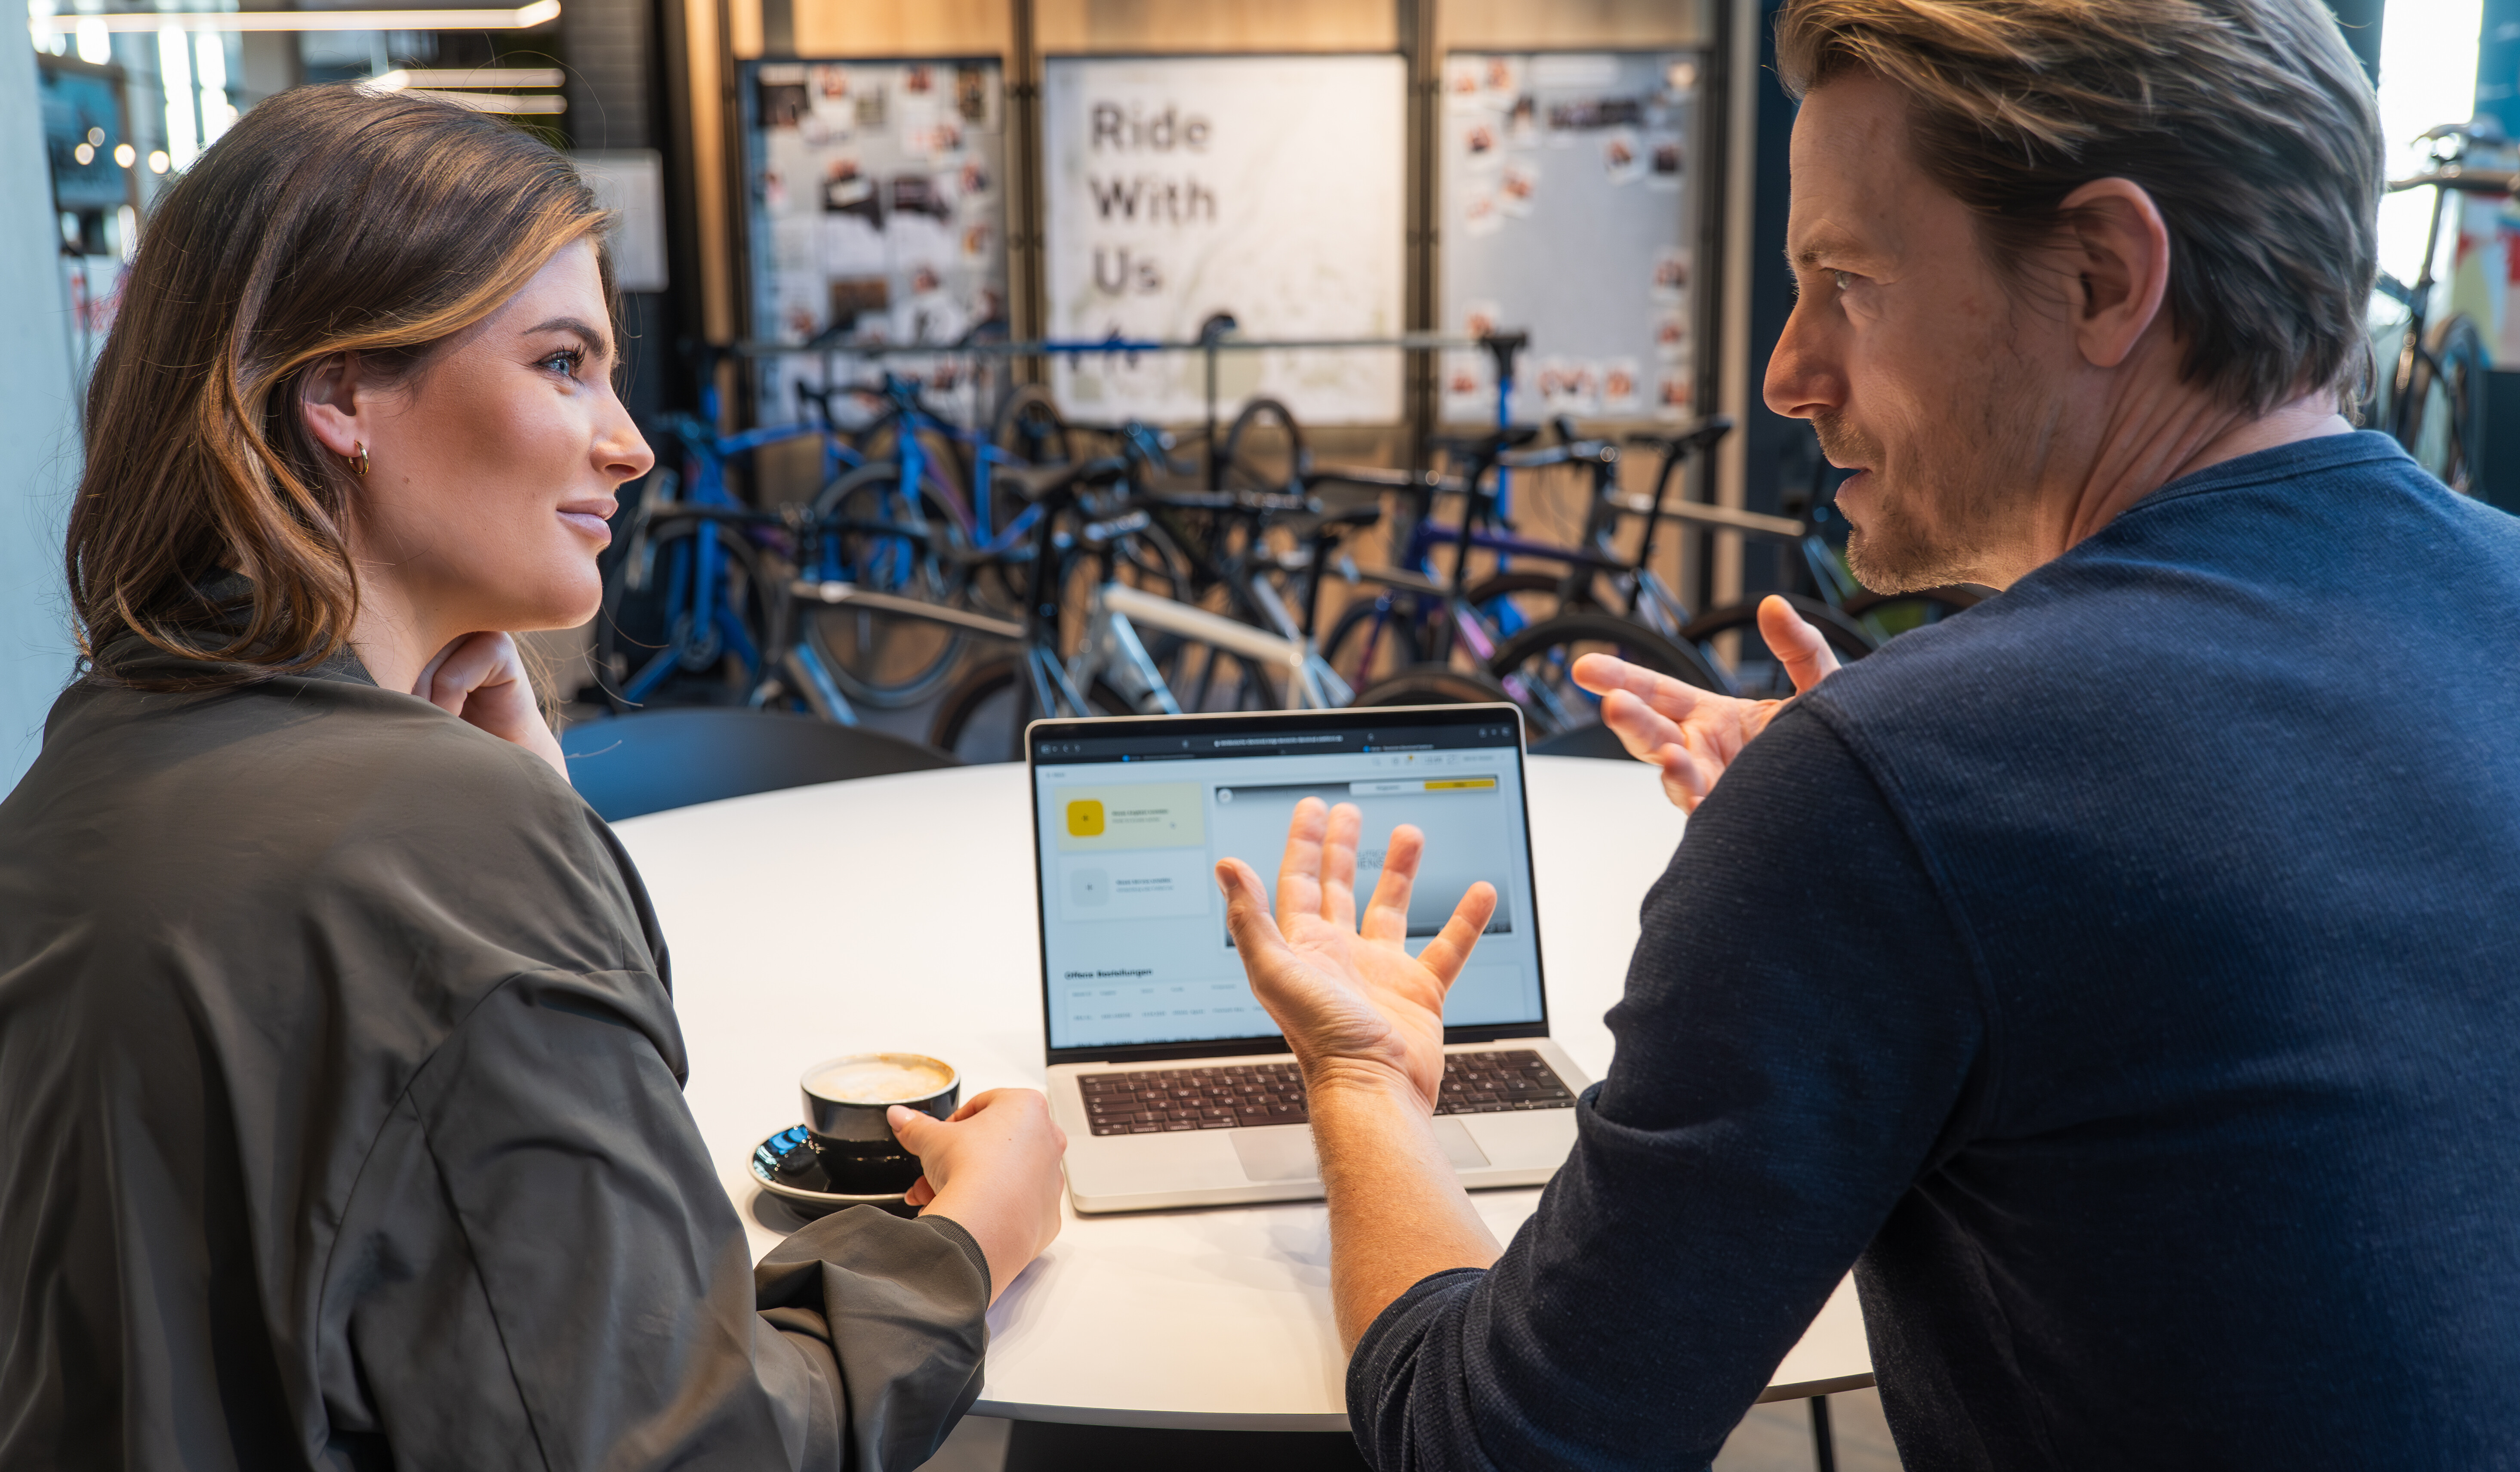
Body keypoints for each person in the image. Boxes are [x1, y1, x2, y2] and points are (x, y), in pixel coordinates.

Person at [1214, 1, 2520, 1467]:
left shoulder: (1906, 787)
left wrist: (1362, 1077)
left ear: (2101, 275)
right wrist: (1897, 858)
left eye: (1846, 281)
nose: (1786, 372)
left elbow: (1496, 1448)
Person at [0, 86, 1066, 1470]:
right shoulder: (439, 841)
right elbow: (696, 1448)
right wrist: (965, 1243)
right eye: (563, 364)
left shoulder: (83, 767)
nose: (630, 444)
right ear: (338, 392)